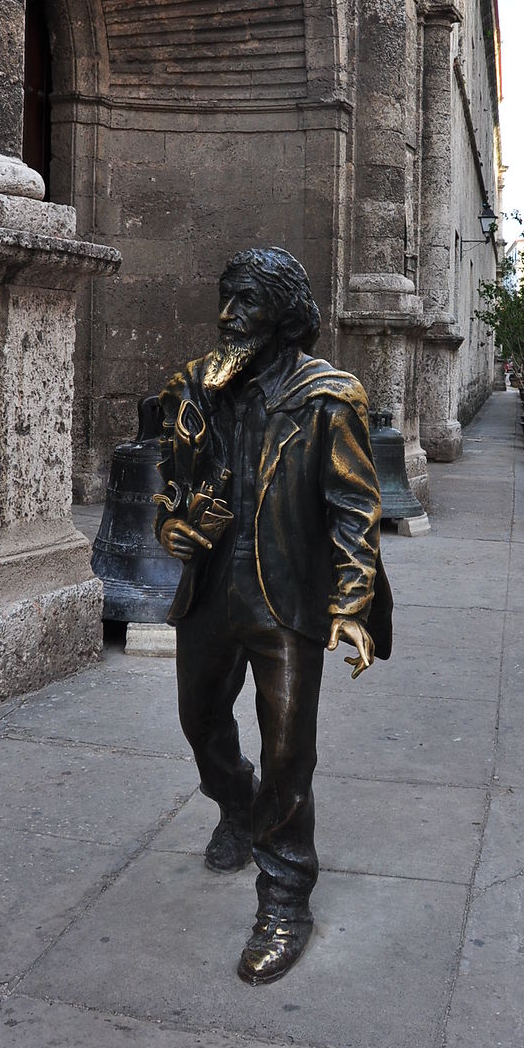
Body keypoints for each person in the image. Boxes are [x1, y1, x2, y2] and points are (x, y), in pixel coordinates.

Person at [155, 247, 392, 986]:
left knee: (290, 748)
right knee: (201, 722)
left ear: (285, 318)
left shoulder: (329, 397)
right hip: (212, 590)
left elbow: (355, 509)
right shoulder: (196, 385)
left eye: (246, 304)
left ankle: (285, 896)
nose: (228, 317)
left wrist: (350, 606)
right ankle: (235, 802)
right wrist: (174, 527)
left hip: (286, 597)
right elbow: (171, 484)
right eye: (225, 300)